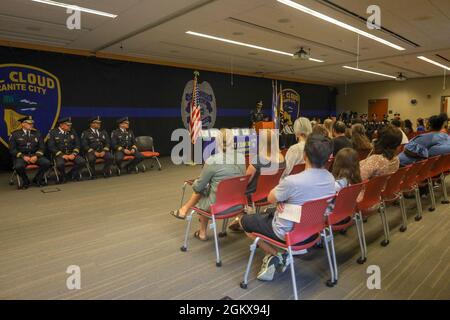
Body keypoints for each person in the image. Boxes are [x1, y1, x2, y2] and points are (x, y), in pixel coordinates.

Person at [239, 134, 336, 281]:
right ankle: (276, 255)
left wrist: (283, 199)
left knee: (244, 221)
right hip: (313, 232)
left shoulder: (293, 181)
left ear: (305, 155)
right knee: (268, 212)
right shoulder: (330, 179)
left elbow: (271, 197)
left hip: (286, 232)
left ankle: (276, 255)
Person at [170, 129, 246, 241]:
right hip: (237, 204)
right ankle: (183, 211)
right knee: (209, 189)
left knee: (203, 192)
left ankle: (202, 233)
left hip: (217, 206)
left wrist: (197, 181)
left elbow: (197, 187)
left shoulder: (212, 160)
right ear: (233, 141)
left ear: (217, 142)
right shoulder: (241, 157)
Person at [228, 129, 286, 231]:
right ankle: (241, 220)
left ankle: (241, 220)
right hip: (272, 193)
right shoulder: (282, 158)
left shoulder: (258, 159)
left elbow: (246, 181)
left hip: (255, 196)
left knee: (235, 190)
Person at [9, 115, 51, 188]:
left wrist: (36, 156)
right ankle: (26, 181)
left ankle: (37, 179)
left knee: (47, 163)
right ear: (23, 124)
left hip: (35, 155)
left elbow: (42, 147)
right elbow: (12, 149)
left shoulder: (37, 133)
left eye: (32, 123)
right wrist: (23, 156)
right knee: (18, 166)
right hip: (22, 157)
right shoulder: (15, 134)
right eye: (29, 123)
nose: (31, 125)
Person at [48, 117, 85, 183]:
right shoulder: (53, 132)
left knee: (82, 161)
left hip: (71, 153)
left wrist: (74, 153)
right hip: (59, 155)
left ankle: (70, 174)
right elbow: (51, 146)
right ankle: (63, 176)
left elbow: (77, 144)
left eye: (70, 125)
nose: (70, 126)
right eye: (68, 125)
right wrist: (62, 155)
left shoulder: (72, 131)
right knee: (60, 164)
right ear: (61, 125)